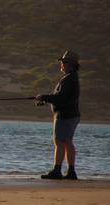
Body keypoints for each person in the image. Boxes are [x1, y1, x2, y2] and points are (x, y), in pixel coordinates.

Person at [35, 50, 81, 180]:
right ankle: (70, 172)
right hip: (71, 115)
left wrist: (43, 97)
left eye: (63, 63)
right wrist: (46, 100)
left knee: (59, 141)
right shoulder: (71, 78)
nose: (61, 65)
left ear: (69, 65)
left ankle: (57, 171)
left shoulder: (68, 79)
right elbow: (61, 97)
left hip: (65, 116)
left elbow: (60, 97)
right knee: (67, 142)